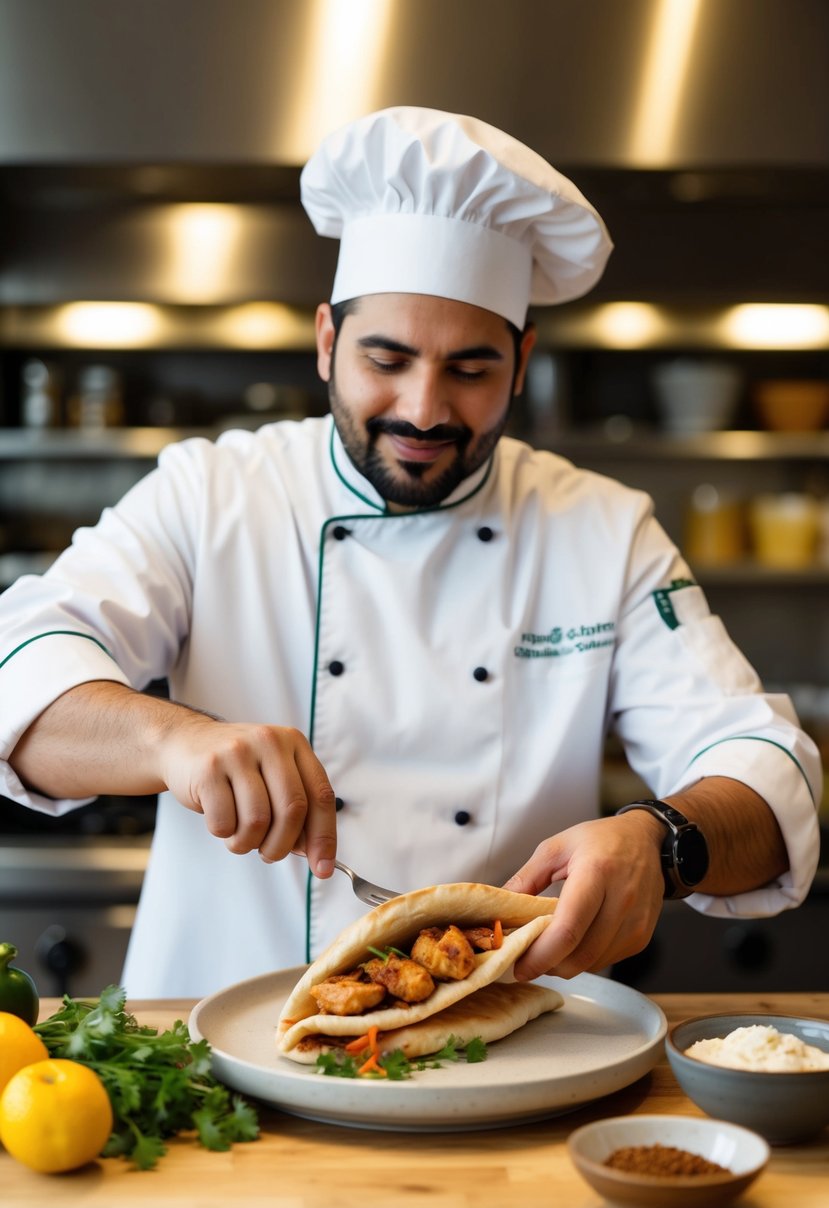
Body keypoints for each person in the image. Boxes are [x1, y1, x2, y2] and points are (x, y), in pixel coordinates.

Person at [0, 107, 821, 998]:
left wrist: (663, 845)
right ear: (325, 341)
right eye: (385, 359)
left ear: (521, 361)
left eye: (469, 369)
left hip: (498, 1060)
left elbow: (762, 767)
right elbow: (21, 672)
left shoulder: (601, 529)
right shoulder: (212, 492)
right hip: (217, 1044)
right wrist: (173, 741)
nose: (424, 409)